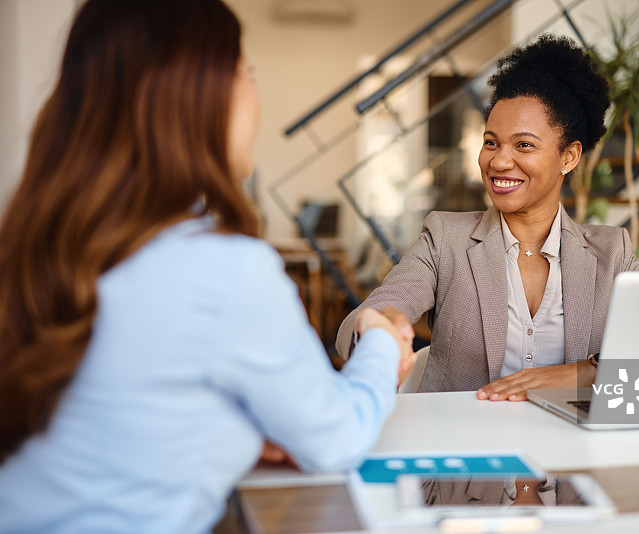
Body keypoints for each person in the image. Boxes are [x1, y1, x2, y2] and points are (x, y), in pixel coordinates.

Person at [0, 1, 414, 533]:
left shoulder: (34, 240)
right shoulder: (223, 269)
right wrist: (382, 345)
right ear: (200, 95)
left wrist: (237, 422)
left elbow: (126, 409)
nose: (256, 97)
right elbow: (336, 437)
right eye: (248, 74)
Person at [336, 34, 639, 399]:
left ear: (569, 157)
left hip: (572, 448)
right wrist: (375, 328)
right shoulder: (445, 239)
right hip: (463, 443)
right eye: (491, 142)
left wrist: (586, 372)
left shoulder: (613, 255)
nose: (498, 161)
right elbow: (357, 326)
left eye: (524, 145)